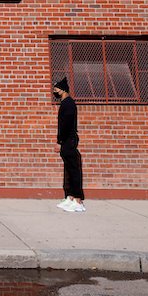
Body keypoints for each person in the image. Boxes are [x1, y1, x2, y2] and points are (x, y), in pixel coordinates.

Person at [54, 78, 85, 212]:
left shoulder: (69, 104)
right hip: (67, 140)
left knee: (73, 170)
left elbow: (65, 126)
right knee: (69, 169)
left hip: (68, 141)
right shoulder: (65, 103)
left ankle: (78, 200)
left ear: (63, 89)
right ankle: (71, 197)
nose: (54, 92)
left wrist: (60, 142)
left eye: (56, 89)